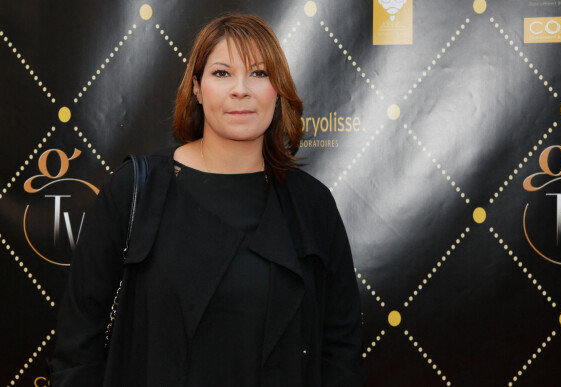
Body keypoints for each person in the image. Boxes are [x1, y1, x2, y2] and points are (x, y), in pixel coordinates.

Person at [49, 13, 364, 386]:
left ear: (277, 90)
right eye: (221, 73)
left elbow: (340, 347)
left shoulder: (313, 205)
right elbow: (78, 336)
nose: (240, 89)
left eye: (259, 73)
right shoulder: (135, 189)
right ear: (196, 88)